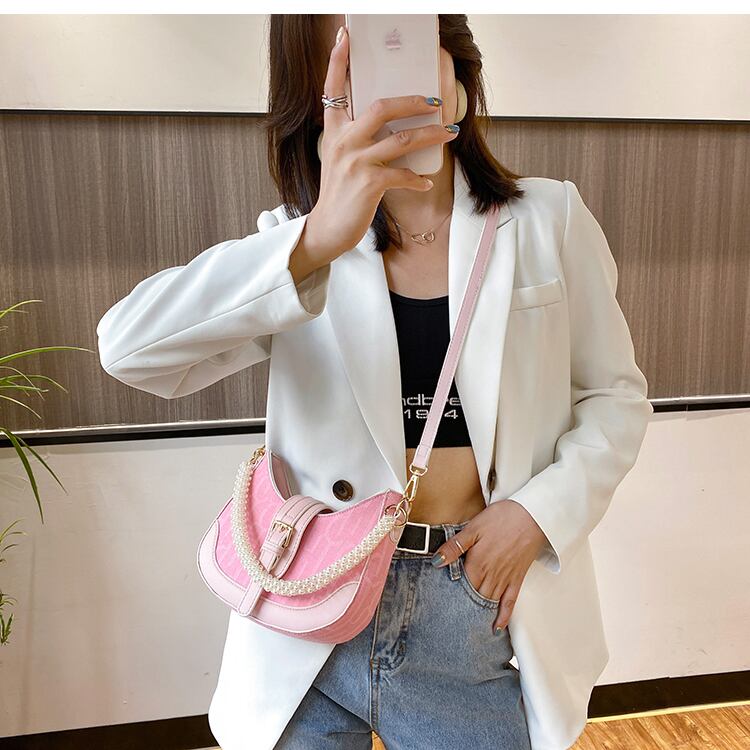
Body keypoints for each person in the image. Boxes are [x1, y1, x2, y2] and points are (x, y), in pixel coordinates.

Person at [96, 14, 653, 750]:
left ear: (457, 74)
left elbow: (615, 397)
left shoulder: (548, 219)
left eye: (405, 50)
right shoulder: (294, 246)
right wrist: (316, 236)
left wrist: (538, 514)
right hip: (312, 617)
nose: (388, 90)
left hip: (475, 605)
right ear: (318, 101)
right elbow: (128, 350)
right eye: (351, 69)